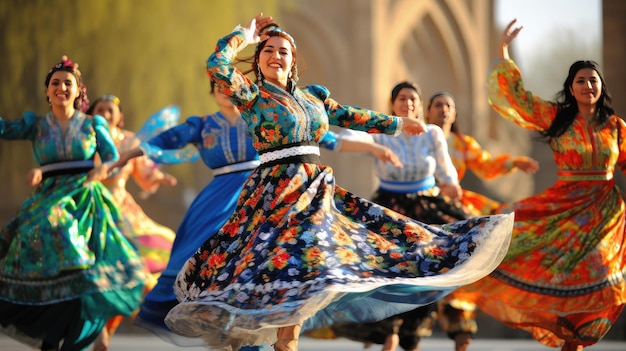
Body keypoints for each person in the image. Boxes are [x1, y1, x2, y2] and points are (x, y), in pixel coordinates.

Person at [163, 13, 514, 351]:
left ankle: (288, 340)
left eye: (283, 51)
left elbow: (350, 115)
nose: (275, 56)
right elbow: (217, 66)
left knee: (314, 259)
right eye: (268, 50)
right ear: (258, 58)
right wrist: (244, 35)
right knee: (266, 262)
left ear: (293, 59)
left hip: (313, 190)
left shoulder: (313, 96)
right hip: (273, 190)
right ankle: (238, 331)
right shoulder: (252, 95)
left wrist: (395, 124)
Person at [112, 80, 401, 351]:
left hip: (264, 192)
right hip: (217, 203)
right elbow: (169, 138)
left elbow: (327, 137)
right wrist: (128, 154)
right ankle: (224, 330)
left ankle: (267, 332)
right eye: (220, 87)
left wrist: (374, 147)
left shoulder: (264, 114)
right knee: (213, 268)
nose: (227, 92)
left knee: (268, 263)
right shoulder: (202, 125)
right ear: (213, 92)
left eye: (232, 87)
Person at [444, 19, 626, 351]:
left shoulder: (615, 127)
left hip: (605, 212)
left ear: (601, 87)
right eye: (580, 81)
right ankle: (571, 339)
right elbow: (518, 98)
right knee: (522, 248)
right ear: (571, 89)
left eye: (593, 80)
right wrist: (503, 51)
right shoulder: (558, 118)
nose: (588, 86)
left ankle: (577, 339)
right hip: (563, 208)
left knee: (602, 272)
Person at [0, 56, 146, 351]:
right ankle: (51, 333)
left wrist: (100, 171)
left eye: (68, 83)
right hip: (47, 196)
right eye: (55, 83)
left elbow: (109, 159)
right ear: (47, 91)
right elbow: (4, 128)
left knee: (78, 257)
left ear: (79, 91)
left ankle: (80, 336)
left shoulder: (93, 124)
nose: (61, 88)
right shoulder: (36, 125)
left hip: (83, 195)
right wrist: (40, 172)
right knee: (35, 234)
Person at [312, 81, 471, 351]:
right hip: (389, 207)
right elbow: (353, 138)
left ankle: (413, 332)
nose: (407, 103)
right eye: (402, 99)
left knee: (429, 267)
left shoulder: (432, 133)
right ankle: (389, 330)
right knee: (386, 267)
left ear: (420, 106)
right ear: (392, 104)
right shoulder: (381, 131)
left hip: (425, 208)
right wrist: (343, 138)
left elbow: (445, 168)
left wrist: (450, 183)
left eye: (413, 99)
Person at [424, 91, 539, 351]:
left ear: (454, 114)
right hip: (420, 209)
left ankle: (461, 326)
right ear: (427, 111)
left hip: (452, 209)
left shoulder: (462, 143)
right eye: (438, 105)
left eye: (448, 106)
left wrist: (513, 162)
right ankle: (401, 326)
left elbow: (485, 163)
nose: (443, 110)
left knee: (466, 261)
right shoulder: (418, 138)